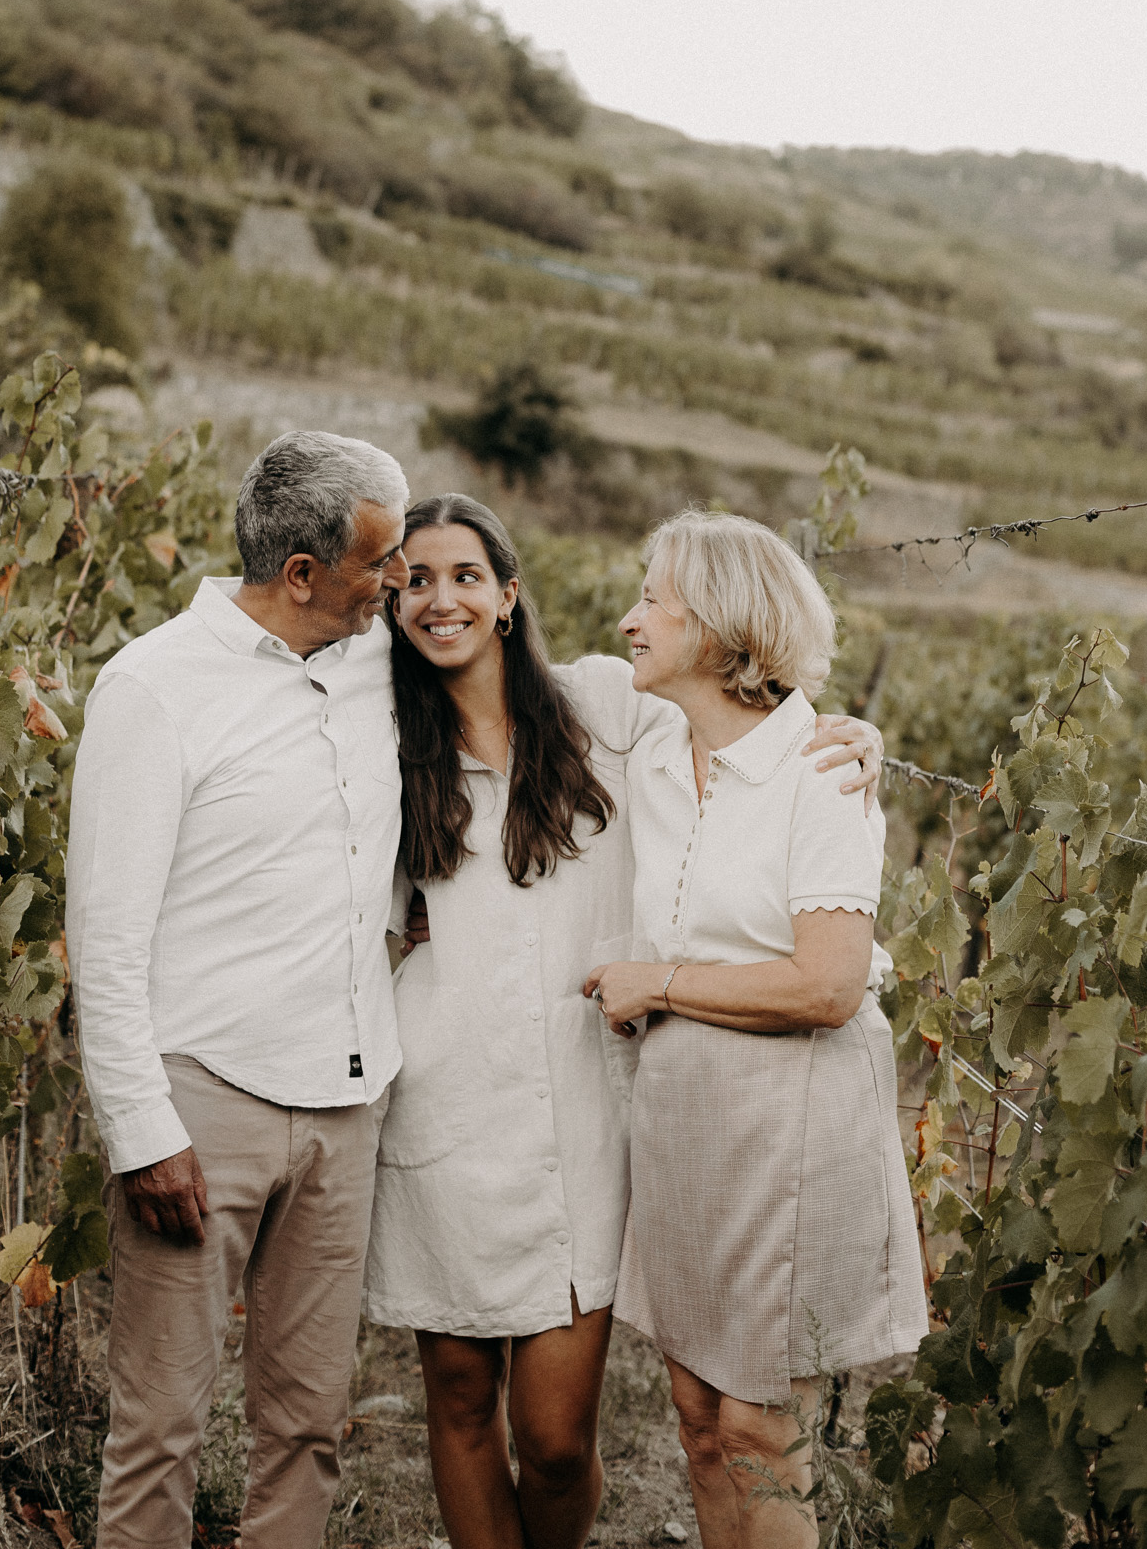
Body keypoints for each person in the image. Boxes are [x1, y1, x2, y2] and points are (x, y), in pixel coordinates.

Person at [364, 494, 884, 1549]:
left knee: (555, 1439)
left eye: (464, 573)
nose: (440, 597)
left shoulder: (604, 707)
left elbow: (744, 728)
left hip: (583, 1120)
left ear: (508, 593)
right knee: (461, 1404)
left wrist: (846, 733)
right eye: (414, 578)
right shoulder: (378, 746)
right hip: (443, 1107)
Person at [66, 430, 411, 1549]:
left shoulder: (378, 662)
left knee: (308, 1423)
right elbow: (105, 933)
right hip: (201, 1103)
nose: (398, 583)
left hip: (349, 1102)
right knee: (161, 1423)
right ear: (301, 571)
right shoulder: (155, 687)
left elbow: (542, 689)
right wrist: (139, 1127)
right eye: (380, 561)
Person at [585, 511, 927, 1549]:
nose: (628, 617)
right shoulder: (651, 742)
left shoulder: (819, 769)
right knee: (695, 1422)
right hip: (684, 1122)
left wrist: (661, 980)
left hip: (793, 1129)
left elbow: (826, 984)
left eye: (653, 598)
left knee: (756, 1430)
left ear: (721, 623)